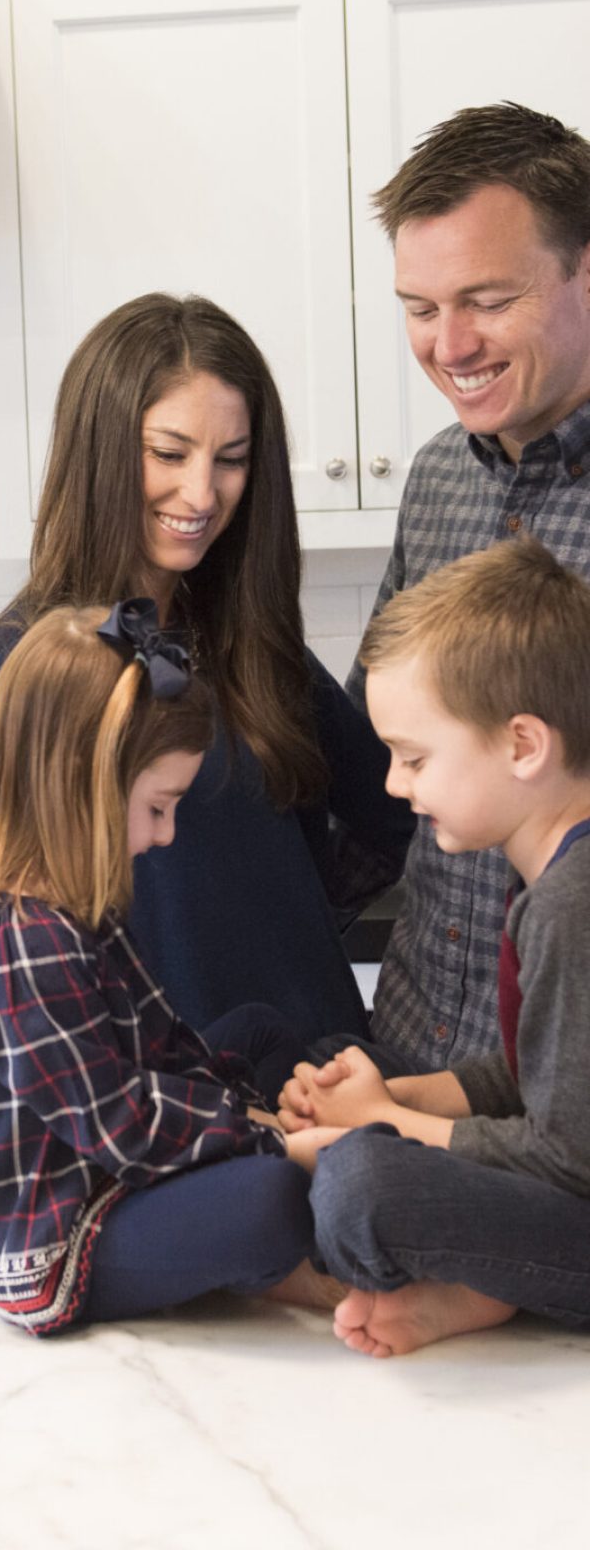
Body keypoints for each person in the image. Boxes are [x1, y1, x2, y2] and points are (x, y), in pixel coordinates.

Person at [0, 293, 412, 1281]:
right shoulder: (1, 684)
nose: (202, 491)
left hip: (317, 1114)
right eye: (168, 452)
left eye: (231, 457)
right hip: (141, 1167)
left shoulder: (261, 658)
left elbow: (393, 814)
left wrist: (285, 907)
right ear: (99, 450)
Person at [0, 599, 342, 1334]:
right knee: (271, 1200)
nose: (166, 835)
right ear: (78, 784)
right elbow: (119, 1119)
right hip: (51, 1239)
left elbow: (158, 1042)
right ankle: (294, 1270)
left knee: (263, 1033)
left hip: (95, 1163)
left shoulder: (68, 902)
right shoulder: (23, 939)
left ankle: (250, 1198)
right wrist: (271, 1138)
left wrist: (249, 1112)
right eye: (156, 808)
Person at [281, 538, 590, 1357]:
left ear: (524, 745)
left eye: (414, 757)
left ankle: (489, 1282)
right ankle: (482, 1286)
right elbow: (539, 1077)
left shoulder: (572, 902)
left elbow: (569, 1158)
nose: (392, 785)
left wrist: (376, 1126)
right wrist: (404, 1099)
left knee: (359, 1189)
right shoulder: (558, 875)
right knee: (355, 1114)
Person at [352, 101, 590, 1075]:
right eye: (420, 307)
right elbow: (389, 747)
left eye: (488, 300)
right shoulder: (437, 476)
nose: (449, 347)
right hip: (418, 1035)